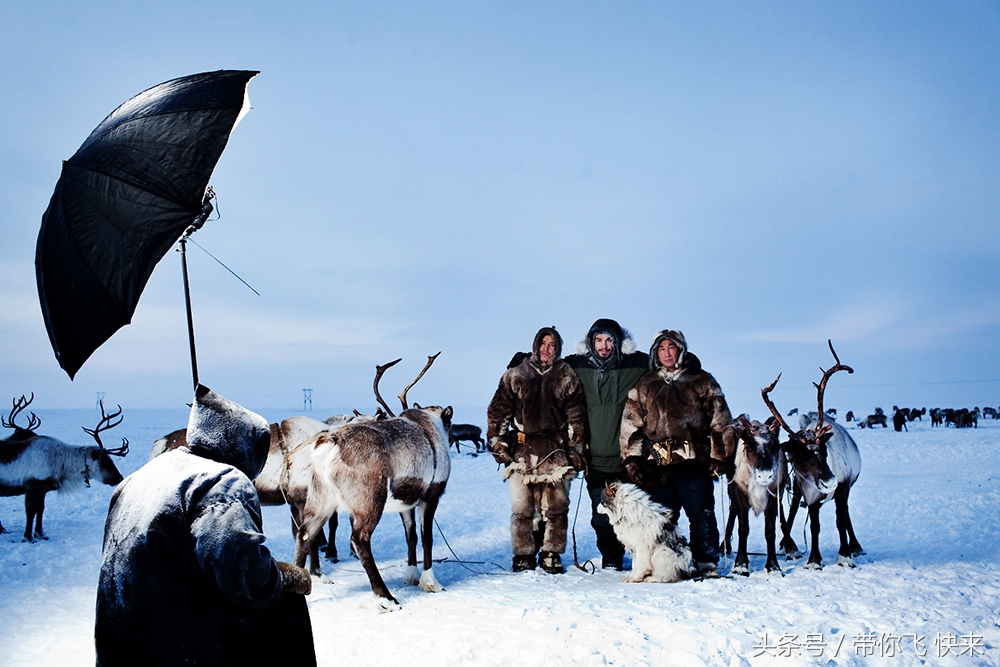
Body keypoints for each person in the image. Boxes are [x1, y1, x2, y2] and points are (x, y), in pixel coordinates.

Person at [95, 385, 316, 667]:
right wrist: (283, 577)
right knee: (288, 607)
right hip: (175, 638)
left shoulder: (142, 475)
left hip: (119, 634)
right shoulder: (222, 481)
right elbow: (245, 578)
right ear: (246, 445)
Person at [619, 330, 736, 578]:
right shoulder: (646, 384)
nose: (667, 353)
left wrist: (719, 457)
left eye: (671, 347)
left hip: (693, 461)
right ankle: (665, 563)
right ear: (655, 354)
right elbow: (631, 425)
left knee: (701, 514)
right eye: (661, 349)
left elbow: (721, 421)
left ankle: (706, 562)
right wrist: (632, 459)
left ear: (680, 349)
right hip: (658, 465)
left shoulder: (702, 380)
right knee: (661, 521)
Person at [487, 326, 589, 574]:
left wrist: (576, 450)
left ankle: (551, 552)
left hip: (555, 449)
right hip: (522, 449)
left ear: (558, 349)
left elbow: (576, 415)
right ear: (535, 345)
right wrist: (498, 442)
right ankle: (523, 553)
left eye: (552, 345)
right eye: (543, 343)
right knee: (523, 507)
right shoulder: (516, 374)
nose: (547, 349)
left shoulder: (566, 376)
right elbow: (498, 411)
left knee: (556, 506)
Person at [564, 318, 648, 570]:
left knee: (630, 512)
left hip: (627, 458)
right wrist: (522, 361)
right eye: (598, 340)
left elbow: (667, 359)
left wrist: (690, 361)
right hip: (595, 459)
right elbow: (547, 363)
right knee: (601, 514)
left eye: (609, 340)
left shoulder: (637, 364)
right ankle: (611, 557)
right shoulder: (576, 366)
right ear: (590, 342)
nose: (604, 346)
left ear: (618, 342)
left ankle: (638, 556)